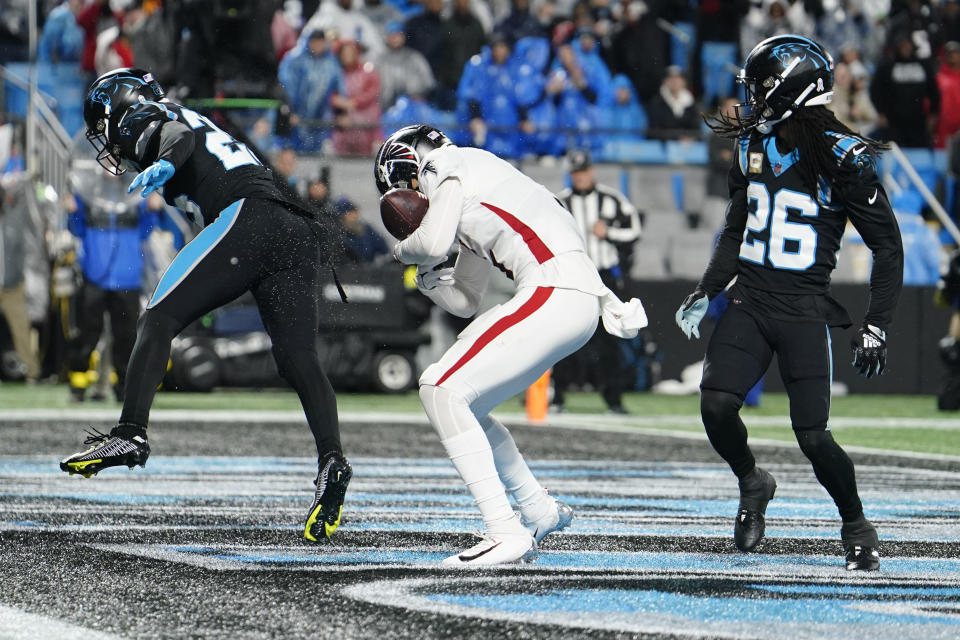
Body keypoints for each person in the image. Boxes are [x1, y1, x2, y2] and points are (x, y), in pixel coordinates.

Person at [59, 68, 351, 545]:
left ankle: (130, 432)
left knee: (157, 318)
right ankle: (332, 460)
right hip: (291, 229)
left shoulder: (150, 114)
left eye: (103, 128)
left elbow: (173, 133)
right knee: (299, 360)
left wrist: (169, 163)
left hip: (247, 220)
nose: (108, 143)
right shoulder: (195, 117)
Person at [675, 36, 904, 571]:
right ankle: (753, 481)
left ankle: (856, 525)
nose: (752, 98)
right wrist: (709, 287)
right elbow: (737, 225)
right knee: (715, 406)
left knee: (814, 438)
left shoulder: (843, 154)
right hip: (751, 301)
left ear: (790, 87)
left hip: (803, 308)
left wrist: (878, 324)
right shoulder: (754, 142)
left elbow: (886, 245)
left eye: (760, 87)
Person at [374, 124, 648, 566]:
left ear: (408, 169)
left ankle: (503, 530)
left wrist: (403, 251)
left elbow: (431, 242)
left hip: (554, 289)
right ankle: (537, 509)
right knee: (468, 404)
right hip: (571, 299)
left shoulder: (446, 164)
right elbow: (464, 299)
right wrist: (429, 282)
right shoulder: (478, 183)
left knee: (439, 389)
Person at [554, 149, 641, 414]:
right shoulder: (560, 202)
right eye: (576, 173)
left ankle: (613, 399)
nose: (580, 177)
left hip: (604, 276)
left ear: (591, 171)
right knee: (560, 336)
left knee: (609, 339)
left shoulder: (612, 199)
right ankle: (557, 396)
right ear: (571, 175)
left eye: (584, 171)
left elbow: (634, 231)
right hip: (572, 275)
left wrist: (609, 233)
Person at [63, 170, 157, 403]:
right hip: (94, 276)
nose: (111, 165)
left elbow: (145, 231)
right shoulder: (87, 190)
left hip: (128, 278)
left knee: (126, 338)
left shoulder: (137, 191)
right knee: (86, 334)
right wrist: (72, 212)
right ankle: (78, 387)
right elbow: (77, 230)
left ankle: (123, 388)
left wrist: (153, 211)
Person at [333, 197, 390, 263]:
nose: (355, 215)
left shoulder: (367, 229)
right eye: (349, 213)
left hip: (369, 270)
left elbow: (384, 249)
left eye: (355, 211)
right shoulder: (337, 236)